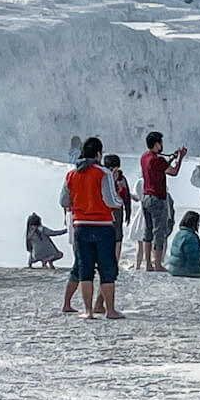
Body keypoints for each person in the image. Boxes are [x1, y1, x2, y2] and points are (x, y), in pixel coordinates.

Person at [61, 136, 124, 320]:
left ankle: (88, 311)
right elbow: (112, 200)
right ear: (98, 154)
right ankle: (110, 310)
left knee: (85, 269)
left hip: (80, 225)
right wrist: (118, 195)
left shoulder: (71, 175)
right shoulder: (102, 173)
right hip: (103, 225)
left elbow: (64, 200)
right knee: (107, 269)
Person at [141, 131, 187, 272]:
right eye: (161, 142)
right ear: (156, 144)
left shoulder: (144, 157)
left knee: (147, 232)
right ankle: (158, 264)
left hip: (146, 197)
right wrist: (179, 158)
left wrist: (171, 157)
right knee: (158, 232)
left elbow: (161, 167)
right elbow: (173, 172)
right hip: (157, 198)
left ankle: (148, 263)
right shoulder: (157, 160)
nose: (162, 145)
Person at [103, 155, 132, 269]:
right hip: (106, 211)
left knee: (118, 236)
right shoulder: (104, 177)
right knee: (108, 236)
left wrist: (128, 212)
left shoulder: (121, 178)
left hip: (117, 212)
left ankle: (115, 261)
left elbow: (127, 197)